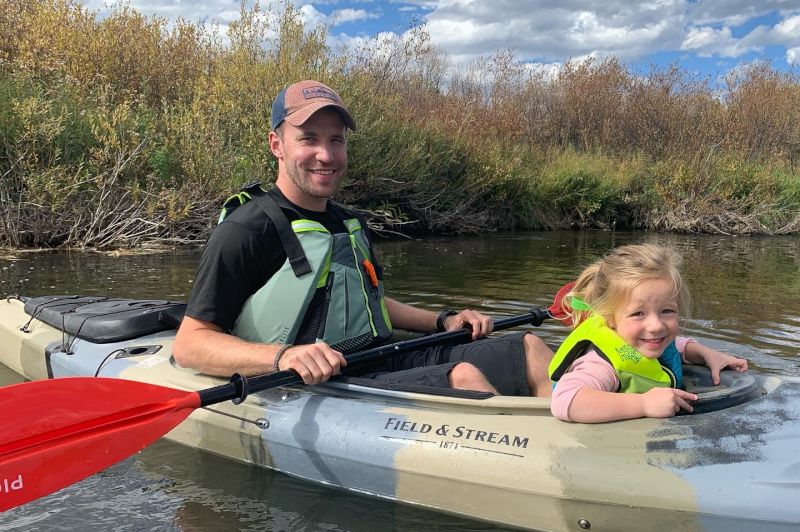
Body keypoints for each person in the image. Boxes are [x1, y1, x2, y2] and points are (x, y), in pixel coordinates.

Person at [173, 79, 554, 396]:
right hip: (311, 380)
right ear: (277, 145)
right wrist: (282, 357)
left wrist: (444, 321)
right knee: (464, 380)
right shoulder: (245, 229)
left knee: (528, 349)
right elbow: (190, 343)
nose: (326, 154)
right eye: (309, 139)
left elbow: (369, 302)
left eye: (336, 140)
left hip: (373, 357)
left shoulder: (348, 222)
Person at [548, 243, 748, 423]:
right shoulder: (602, 365)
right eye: (638, 314)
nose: (656, 326)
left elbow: (674, 345)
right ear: (609, 318)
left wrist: (706, 353)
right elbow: (566, 399)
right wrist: (643, 404)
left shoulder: (649, 339)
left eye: (667, 311)